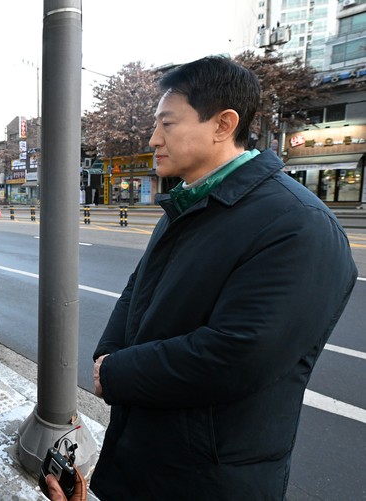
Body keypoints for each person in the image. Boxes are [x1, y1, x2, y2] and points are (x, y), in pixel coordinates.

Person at [51, 56, 358, 500]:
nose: (153, 138)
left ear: (223, 124)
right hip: (144, 453)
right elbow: (138, 291)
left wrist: (119, 373)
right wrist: (108, 356)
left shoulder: (298, 224)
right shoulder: (190, 202)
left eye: (167, 124)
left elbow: (238, 354)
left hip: (208, 478)